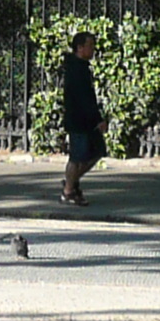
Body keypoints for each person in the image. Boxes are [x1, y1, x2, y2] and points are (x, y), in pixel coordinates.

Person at [59, 29, 105, 206]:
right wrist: (96, 119)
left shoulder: (82, 68)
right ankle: (68, 191)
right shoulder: (75, 69)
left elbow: (89, 97)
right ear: (80, 48)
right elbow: (82, 98)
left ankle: (70, 182)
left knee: (96, 152)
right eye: (90, 45)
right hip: (78, 119)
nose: (93, 49)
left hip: (87, 118)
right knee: (77, 157)